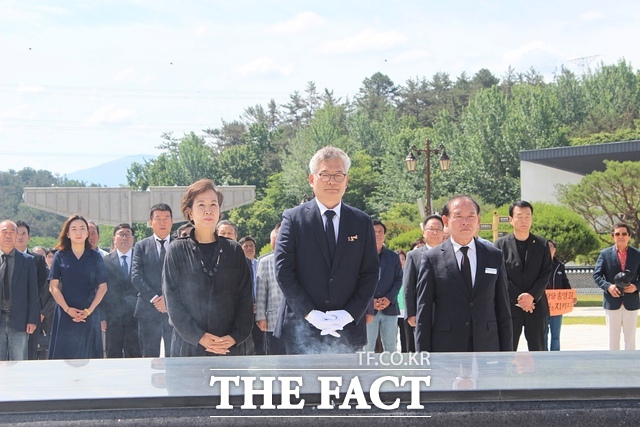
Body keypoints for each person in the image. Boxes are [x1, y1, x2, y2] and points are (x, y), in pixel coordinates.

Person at [274, 146, 379, 354]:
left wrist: (348, 314)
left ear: (346, 181)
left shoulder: (362, 222)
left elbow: (370, 273)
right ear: (312, 180)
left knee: (347, 387)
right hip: (301, 328)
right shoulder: (293, 219)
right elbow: (284, 271)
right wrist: (311, 314)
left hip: (347, 329)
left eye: (338, 175)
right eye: (325, 175)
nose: (332, 181)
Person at [163, 179, 253, 356]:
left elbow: (245, 298)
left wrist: (235, 336)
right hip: (190, 346)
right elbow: (172, 301)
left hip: (229, 346)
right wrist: (199, 337)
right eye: (201, 204)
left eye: (213, 204)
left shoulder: (234, 250)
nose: (208, 210)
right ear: (190, 212)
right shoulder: (177, 250)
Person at [415, 195, 512, 352]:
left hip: (487, 344)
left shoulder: (494, 255)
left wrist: (507, 353)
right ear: (446, 221)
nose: (466, 222)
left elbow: (503, 308)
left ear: (478, 219)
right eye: (459, 216)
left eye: (471, 216)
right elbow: (424, 312)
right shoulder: (432, 258)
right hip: (447, 346)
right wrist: (423, 355)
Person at [495, 201, 552, 351]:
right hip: (510, 307)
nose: (524, 220)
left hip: (536, 307)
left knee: (538, 350)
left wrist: (532, 296)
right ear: (511, 219)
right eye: (519, 216)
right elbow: (500, 275)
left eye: (528, 216)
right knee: (507, 349)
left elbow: (545, 273)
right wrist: (520, 299)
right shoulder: (500, 245)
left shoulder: (542, 244)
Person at [48, 214, 108, 359]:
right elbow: (53, 287)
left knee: (90, 360)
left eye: (82, 228)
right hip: (65, 313)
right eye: (74, 229)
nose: (79, 232)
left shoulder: (95, 256)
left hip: (89, 313)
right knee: (63, 359)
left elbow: (103, 287)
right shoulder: (60, 256)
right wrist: (68, 309)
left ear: (88, 232)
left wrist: (89, 311)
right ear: (67, 233)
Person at [131, 203, 174, 357]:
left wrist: (168, 300)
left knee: (174, 356)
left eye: (166, 218)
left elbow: (185, 277)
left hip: (175, 311)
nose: (162, 222)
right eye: (158, 219)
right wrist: (156, 299)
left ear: (172, 221)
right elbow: (136, 276)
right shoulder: (141, 246)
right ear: (151, 222)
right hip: (148, 309)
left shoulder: (180, 245)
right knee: (149, 357)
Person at [593, 223, 640, 350]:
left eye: (624, 234)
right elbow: (597, 275)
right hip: (612, 301)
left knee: (630, 339)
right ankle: (613, 367)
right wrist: (608, 287)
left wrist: (636, 287)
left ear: (629, 236)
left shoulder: (637, 254)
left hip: (631, 302)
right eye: (617, 234)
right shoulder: (605, 254)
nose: (621, 236)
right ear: (613, 236)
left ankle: (629, 367)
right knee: (612, 338)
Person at [403, 214, 445, 352]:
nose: (434, 232)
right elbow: (409, 286)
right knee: (422, 348)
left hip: (445, 313)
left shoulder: (450, 254)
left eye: (438, 229)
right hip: (422, 312)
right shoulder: (413, 256)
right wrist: (410, 313)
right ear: (423, 232)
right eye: (431, 229)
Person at [0, 220, 38, 361]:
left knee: (19, 362)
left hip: (19, 320)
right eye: (4, 232)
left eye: (12, 232)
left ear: (17, 236)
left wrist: (32, 319)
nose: (8, 236)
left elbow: (33, 292)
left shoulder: (27, 260)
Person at [102, 224, 141, 358]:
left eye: (128, 234)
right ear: (114, 239)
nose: (124, 237)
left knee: (136, 355)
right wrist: (102, 316)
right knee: (113, 355)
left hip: (136, 317)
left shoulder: (141, 258)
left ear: (133, 238)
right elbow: (101, 290)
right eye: (121, 234)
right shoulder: (105, 261)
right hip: (113, 318)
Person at [365, 220, 402, 352]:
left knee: (391, 347)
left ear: (385, 235)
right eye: (374, 232)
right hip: (368, 310)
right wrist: (370, 302)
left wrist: (389, 298)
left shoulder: (393, 257)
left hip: (390, 308)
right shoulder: (362, 256)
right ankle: (366, 373)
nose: (377, 234)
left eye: (380, 231)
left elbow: (399, 279)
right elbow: (358, 282)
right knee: (367, 348)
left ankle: (390, 372)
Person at [15, 221, 49, 360]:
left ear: (29, 237)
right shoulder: (4, 258)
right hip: (8, 313)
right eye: (17, 233)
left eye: (24, 233)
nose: (20, 237)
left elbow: (41, 285)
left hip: (31, 311)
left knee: (30, 352)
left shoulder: (38, 259)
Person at [255, 224, 286, 355]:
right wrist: (260, 317)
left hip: (296, 319)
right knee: (276, 356)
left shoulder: (298, 258)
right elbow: (261, 292)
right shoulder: (265, 262)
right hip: (273, 320)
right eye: (275, 238)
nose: (277, 241)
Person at [545, 240, 572, 351]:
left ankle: (555, 353)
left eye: (551, 247)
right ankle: (543, 352)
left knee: (556, 333)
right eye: (547, 247)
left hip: (557, 305)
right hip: (543, 304)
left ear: (555, 249)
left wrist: (570, 296)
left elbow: (565, 282)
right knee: (543, 332)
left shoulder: (560, 266)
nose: (549, 249)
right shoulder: (538, 264)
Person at [239, 235, 264, 354]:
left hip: (260, 310)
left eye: (251, 246)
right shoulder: (238, 267)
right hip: (244, 310)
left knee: (261, 343)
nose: (249, 248)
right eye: (246, 246)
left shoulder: (261, 265)